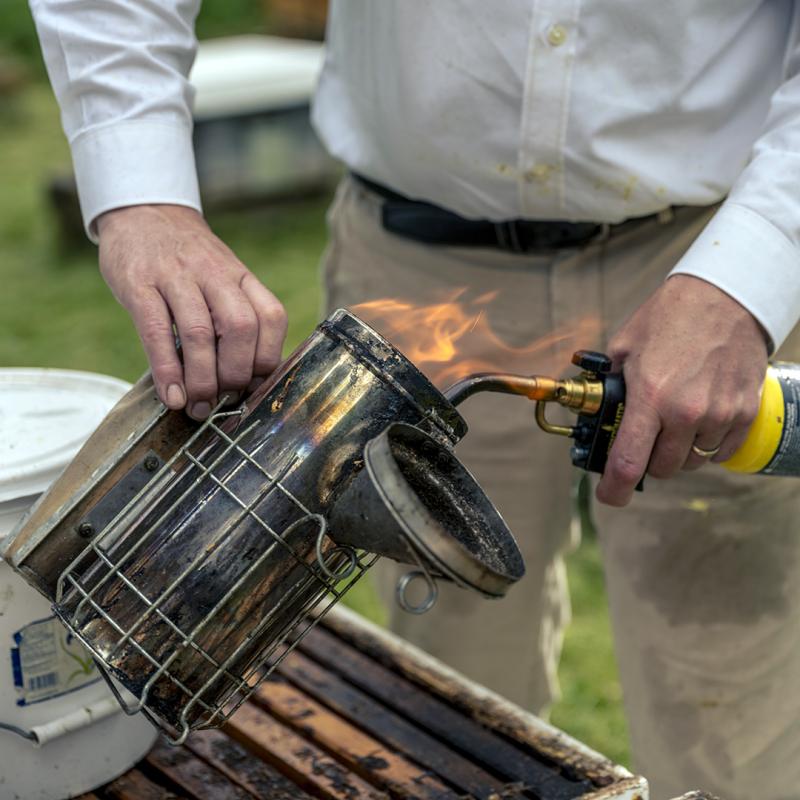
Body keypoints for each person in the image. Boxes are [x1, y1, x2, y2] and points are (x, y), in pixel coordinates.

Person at [30, 2, 800, 797]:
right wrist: (142, 195)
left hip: (710, 262)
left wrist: (746, 278)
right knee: (454, 697)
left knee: (729, 698)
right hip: (417, 254)